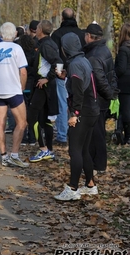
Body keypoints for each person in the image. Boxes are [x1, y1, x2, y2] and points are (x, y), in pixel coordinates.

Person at [54, 33, 100, 201]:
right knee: (84, 149)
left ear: (65, 48)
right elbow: (83, 82)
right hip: (93, 110)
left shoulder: (74, 64)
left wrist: (75, 114)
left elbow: (79, 90)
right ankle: (90, 185)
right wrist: (65, 77)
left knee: (75, 150)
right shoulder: (83, 60)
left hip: (83, 111)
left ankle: (73, 188)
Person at [0, 22, 29, 168]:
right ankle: (15, 155)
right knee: (22, 123)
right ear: (15, 34)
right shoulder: (17, 48)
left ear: (1, 34)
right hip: (14, 90)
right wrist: (22, 88)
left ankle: (4, 155)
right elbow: (23, 72)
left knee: (0, 124)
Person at [83, 22, 118, 177]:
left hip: (97, 98)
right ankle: (97, 163)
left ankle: (98, 165)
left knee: (96, 134)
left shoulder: (94, 55)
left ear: (89, 36)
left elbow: (100, 79)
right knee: (98, 132)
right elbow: (112, 73)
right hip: (102, 98)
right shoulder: (104, 50)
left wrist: (109, 94)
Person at [28, 20, 62, 163]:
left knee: (32, 118)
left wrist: (48, 79)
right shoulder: (47, 43)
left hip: (44, 86)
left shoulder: (46, 45)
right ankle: (49, 150)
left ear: (40, 29)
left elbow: (59, 63)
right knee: (45, 119)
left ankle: (43, 149)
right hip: (47, 86)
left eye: (38, 27)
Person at [51, 8, 86, 146]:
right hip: (79, 72)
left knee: (62, 104)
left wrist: (59, 72)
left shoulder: (57, 34)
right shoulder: (81, 34)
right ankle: (77, 132)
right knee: (78, 101)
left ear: (62, 18)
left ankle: (62, 135)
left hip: (63, 73)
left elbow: (56, 55)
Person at [17, 34, 37, 145]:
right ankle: (32, 138)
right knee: (32, 113)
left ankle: (23, 138)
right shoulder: (35, 54)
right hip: (32, 86)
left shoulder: (19, 55)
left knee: (21, 114)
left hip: (21, 85)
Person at [115, 23, 130, 145]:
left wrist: (112, 74)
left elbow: (121, 69)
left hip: (125, 84)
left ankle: (128, 136)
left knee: (126, 111)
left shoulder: (124, 49)